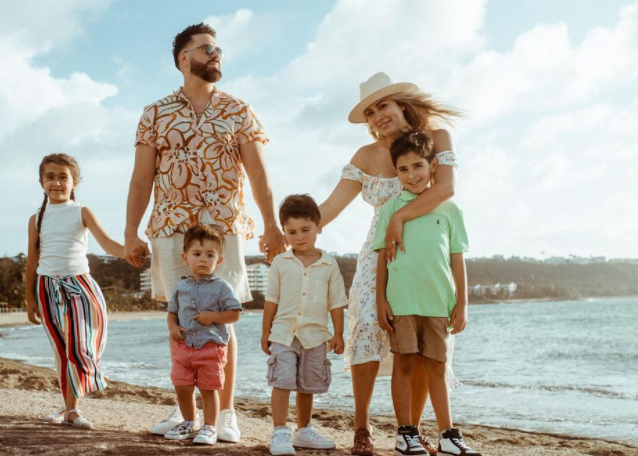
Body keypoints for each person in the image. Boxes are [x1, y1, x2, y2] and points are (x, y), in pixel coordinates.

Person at [123, 23, 286, 442]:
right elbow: (141, 178)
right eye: (207, 48)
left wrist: (271, 225)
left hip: (223, 228)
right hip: (170, 227)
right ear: (183, 58)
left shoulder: (239, 109)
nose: (216, 55)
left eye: (219, 50)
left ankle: (226, 413)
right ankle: (187, 415)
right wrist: (130, 231)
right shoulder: (154, 113)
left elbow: (259, 174)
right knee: (178, 317)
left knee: (222, 321)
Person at [316, 72, 462, 455]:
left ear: (401, 104)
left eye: (383, 105)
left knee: (421, 345)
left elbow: (446, 189)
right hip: (380, 255)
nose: (377, 115)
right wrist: (288, 229)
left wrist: (398, 217)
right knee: (366, 325)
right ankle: (361, 428)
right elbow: (330, 208)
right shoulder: (365, 156)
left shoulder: (438, 139)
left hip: (429, 255)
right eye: (370, 111)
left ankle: (410, 430)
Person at [373, 131, 479, 456]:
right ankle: (406, 435)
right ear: (396, 173)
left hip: (437, 303)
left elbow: (457, 258)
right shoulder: (390, 209)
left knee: (437, 367)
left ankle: (448, 436)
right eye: (403, 169)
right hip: (402, 303)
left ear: (433, 166)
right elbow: (382, 259)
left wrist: (462, 303)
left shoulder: (449, 210)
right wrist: (380, 299)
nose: (411, 174)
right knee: (403, 365)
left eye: (418, 166)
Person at [25, 153, 125, 430]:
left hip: (80, 285)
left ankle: (79, 395)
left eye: (63, 177)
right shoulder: (36, 219)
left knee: (81, 345)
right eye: (50, 177)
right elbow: (32, 261)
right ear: (41, 181)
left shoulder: (81, 211)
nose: (56, 182)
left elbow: (107, 244)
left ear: (74, 182)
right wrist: (30, 298)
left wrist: (130, 252)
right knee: (62, 350)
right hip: (46, 288)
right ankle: (71, 410)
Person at [261, 195, 347, 456]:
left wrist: (339, 333)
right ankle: (279, 432)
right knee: (282, 381)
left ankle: (304, 429)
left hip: (315, 336)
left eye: (305, 230)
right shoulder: (280, 263)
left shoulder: (329, 264)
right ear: (285, 233)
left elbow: (336, 302)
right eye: (291, 232)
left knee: (308, 385)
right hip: (284, 334)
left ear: (319, 227)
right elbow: (271, 300)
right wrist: (266, 331)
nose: (299, 237)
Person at [164, 224, 243, 445]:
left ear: (218, 261)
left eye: (210, 255)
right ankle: (190, 421)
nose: (203, 259)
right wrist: (172, 328)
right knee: (182, 387)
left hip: (210, 348)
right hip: (183, 348)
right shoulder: (180, 287)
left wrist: (212, 317)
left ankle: (209, 427)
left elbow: (234, 314)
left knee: (209, 389)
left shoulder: (222, 287)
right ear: (185, 257)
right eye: (197, 254)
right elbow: (172, 313)